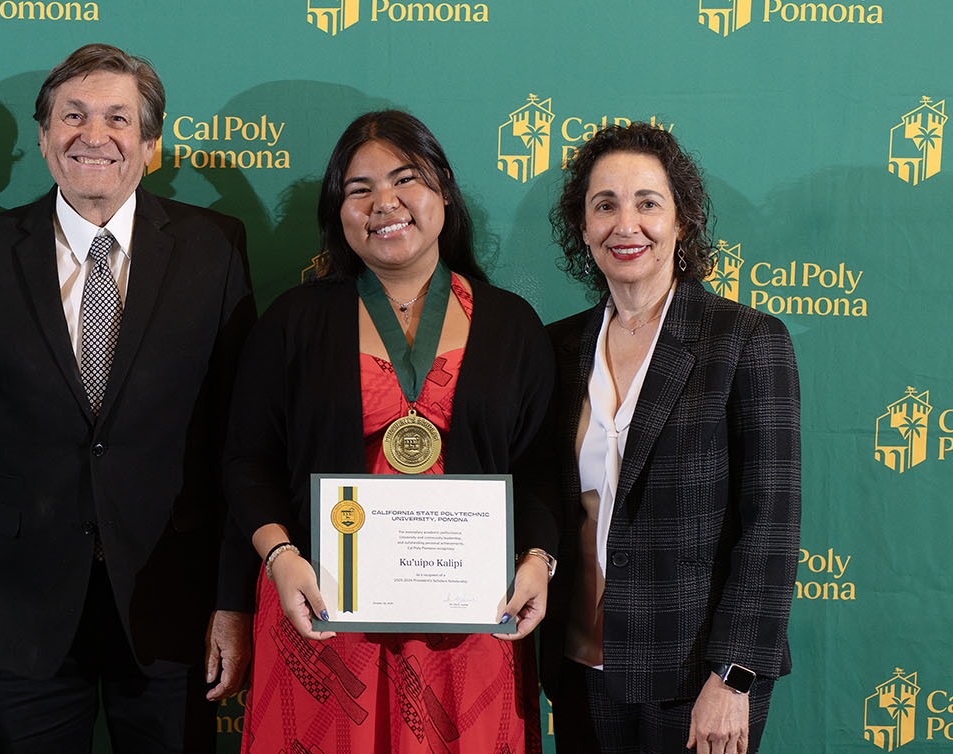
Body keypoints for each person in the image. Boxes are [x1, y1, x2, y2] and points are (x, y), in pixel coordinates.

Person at [0, 43, 257, 752]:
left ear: (151, 144)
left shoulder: (214, 247)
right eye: (71, 116)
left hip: (172, 605)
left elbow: (239, 441)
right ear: (43, 138)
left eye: (117, 118)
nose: (93, 136)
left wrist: (233, 601)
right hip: (15, 612)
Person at [224, 110, 557, 754]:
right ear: (338, 210)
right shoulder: (294, 320)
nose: (385, 203)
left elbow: (541, 466)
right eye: (359, 188)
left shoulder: (511, 324)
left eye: (407, 179)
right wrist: (280, 558)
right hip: (319, 618)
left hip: (471, 627)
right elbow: (246, 460)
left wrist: (539, 561)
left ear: (444, 194)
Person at [538, 122, 802, 754]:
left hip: (695, 682)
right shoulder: (556, 347)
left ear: (682, 222)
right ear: (583, 227)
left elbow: (771, 525)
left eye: (648, 203)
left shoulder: (745, 341)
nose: (625, 224)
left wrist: (733, 677)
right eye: (605, 205)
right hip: (578, 671)